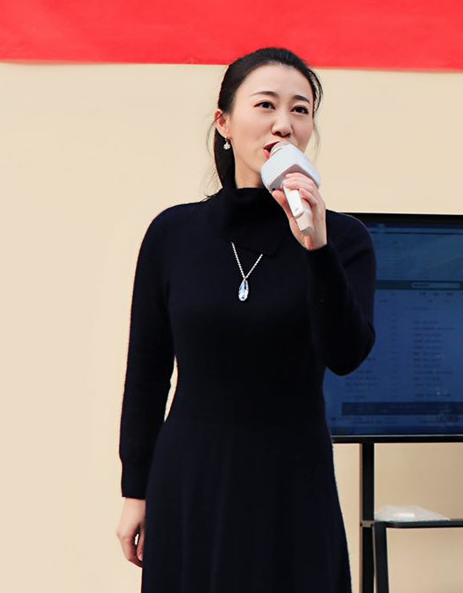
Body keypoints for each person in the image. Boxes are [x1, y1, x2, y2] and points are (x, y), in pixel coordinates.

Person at [116, 47, 376, 592]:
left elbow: (346, 354)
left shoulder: (344, 238)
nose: (284, 123)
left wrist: (317, 248)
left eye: (301, 109)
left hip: (292, 479)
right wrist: (135, 490)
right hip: (192, 476)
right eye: (266, 105)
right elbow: (147, 373)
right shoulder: (173, 233)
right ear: (224, 123)